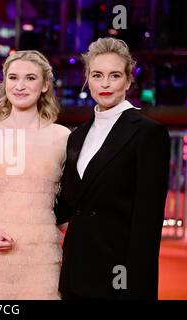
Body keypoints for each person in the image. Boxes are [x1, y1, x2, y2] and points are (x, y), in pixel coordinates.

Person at [55, 37, 170, 300]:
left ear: (129, 81)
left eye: (114, 75)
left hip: (118, 275)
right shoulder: (77, 136)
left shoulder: (147, 134)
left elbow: (147, 221)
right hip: (76, 271)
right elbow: (68, 204)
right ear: (87, 80)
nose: (105, 83)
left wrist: (137, 286)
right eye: (97, 75)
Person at [0, 50, 70, 299]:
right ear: (4, 83)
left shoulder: (62, 137)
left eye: (30, 78)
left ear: (45, 86)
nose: (20, 86)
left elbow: (69, 201)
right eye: (13, 77)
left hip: (42, 255)